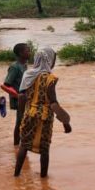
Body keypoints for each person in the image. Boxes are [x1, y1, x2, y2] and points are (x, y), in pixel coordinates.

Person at [14, 47, 72, 178]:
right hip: (45, 117)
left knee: (24, 145)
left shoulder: (28, 75)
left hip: (29, 114)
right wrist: (66, 122)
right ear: (49, 60)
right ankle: (43, 180)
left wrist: (21, 117)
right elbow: (53, 103)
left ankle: (16, 175)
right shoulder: (50, 79)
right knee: (44, 149)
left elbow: (21, 97)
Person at [4, 43, 30, 146]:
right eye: (27, 51)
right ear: (20, 53)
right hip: (19, 99)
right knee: (19, 122)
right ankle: (16, 146)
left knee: (24, 121)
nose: (29, 52)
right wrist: (17, 96)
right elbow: (6, 85)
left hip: (24, 97)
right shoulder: (15, 67)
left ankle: (21, 145)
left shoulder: (24, 65)